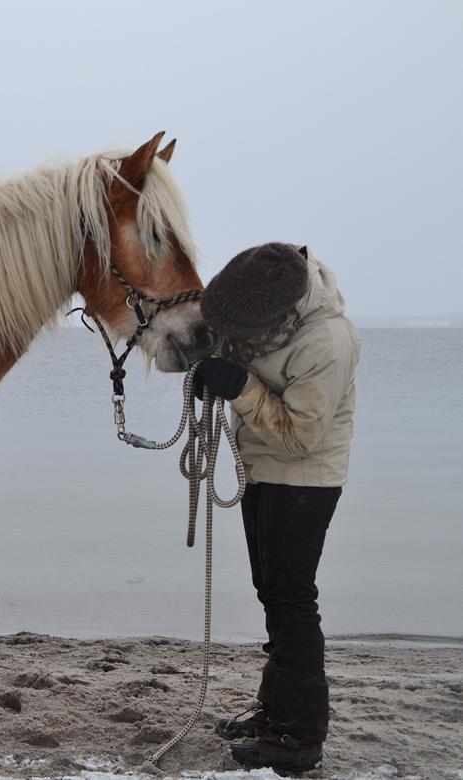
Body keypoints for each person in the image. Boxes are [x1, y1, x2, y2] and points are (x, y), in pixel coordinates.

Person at [192, 242, 359, 771]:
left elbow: (300, 438)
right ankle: (276, 713)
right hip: (263, 471)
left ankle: (301, 737)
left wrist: (239, 386)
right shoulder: (265, 304)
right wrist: (212, 370)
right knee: (274, 596)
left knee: (291, 601)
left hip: (304, 481)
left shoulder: (327, 343)